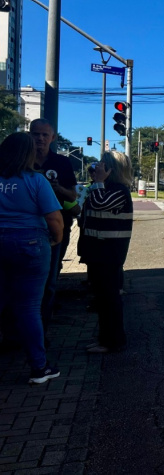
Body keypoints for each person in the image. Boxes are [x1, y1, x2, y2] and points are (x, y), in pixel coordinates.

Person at [0, 132, 64, 384]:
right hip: (29, 243)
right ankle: (39, 367)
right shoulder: (35, 180)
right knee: (28, 307)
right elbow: (54, 218)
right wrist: (56, 239)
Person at [78, 151, 133, 354]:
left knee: (109, 298)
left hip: (109, 252)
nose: (97, 167)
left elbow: (100, 203)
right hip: (97, 250)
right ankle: (105, 338)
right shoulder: (102, 187)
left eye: (102, 164)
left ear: (112, 169)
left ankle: (113, 341)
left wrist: (99, 183)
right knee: (101, 298)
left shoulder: (119, 190)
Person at [29, 119, 78, 325]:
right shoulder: (19, 161)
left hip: (55, 228)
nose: (40, 138)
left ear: (53, 138)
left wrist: (57, 188)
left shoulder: (62, 163)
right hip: (26, 228)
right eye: (36, 134)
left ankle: (42, 328)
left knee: (50, 279)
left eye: (44, 135)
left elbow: (72, 197)